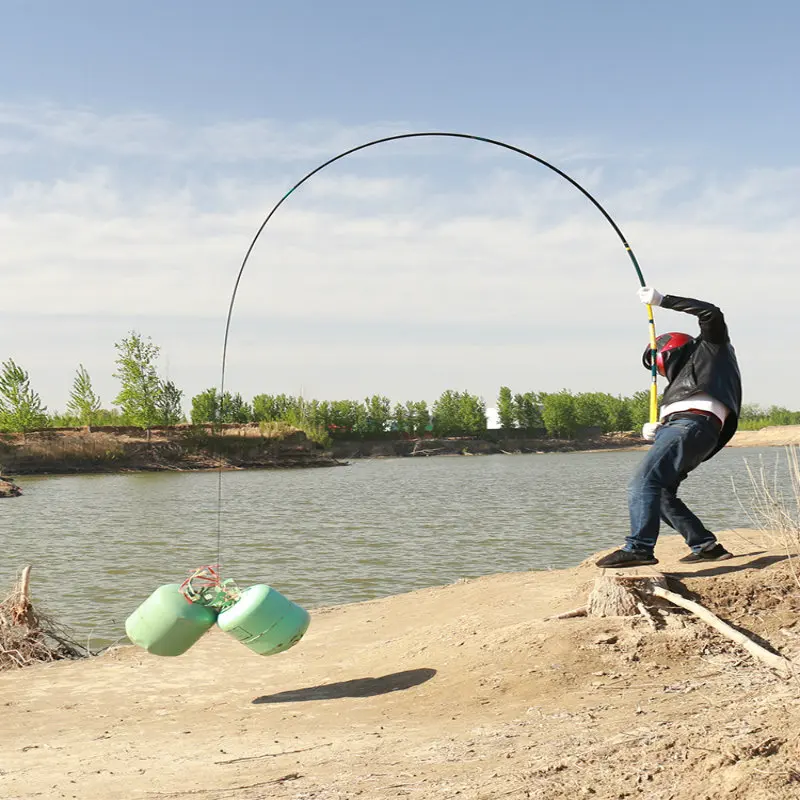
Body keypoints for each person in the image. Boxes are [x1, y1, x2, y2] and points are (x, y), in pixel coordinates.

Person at [596, 286, 742, 568]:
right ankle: (706, 546)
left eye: (657, 363)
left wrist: (663, 301)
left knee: (643, 482)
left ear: (669, 351)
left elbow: (711, 313)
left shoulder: (709, 351)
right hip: (690, 429)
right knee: (660, 491)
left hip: (691, 425)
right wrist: (658, 427)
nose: (658, 370)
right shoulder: (677, 385)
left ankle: (639, 548)